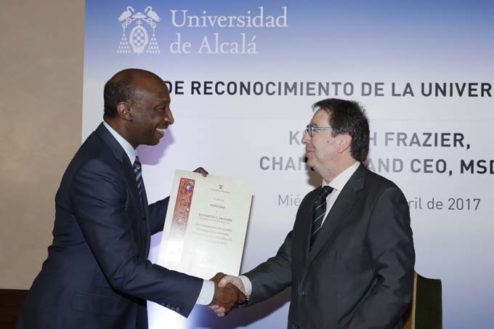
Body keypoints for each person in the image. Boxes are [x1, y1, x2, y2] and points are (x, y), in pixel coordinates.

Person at [16, 68, 245, 329]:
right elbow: (125, 270)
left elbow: (130, 225)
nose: (169, 118)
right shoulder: (98, 168)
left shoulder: (114, 156)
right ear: (126, 110)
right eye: (161, 108)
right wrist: (210, 291)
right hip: (77, 318)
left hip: (104, 314)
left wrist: (187, 198)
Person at [213, 98, 415, 328]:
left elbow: (394, 286)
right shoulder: (312, 201)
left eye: (312, 130)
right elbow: (289, 262)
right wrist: (243, 285)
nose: (303, 138)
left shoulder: (381, 197)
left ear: (341, 141)